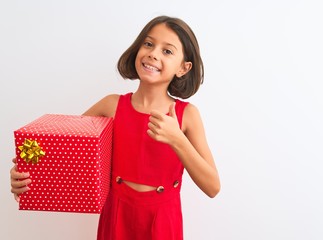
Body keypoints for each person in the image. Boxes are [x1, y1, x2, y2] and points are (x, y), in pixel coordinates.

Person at [10, 15, 220, 240]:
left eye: (167, 51)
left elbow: (212, 187)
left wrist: (177, 139)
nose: (153, 53)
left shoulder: (187, 115)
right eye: (148, 44)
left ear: (183, 68)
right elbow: (63, 153)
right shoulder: (110, 105)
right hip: (116, 216)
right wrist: (26, 176)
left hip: (162, 220)